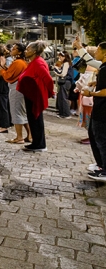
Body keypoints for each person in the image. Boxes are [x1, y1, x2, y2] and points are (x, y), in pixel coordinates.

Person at [17, 41, 54, 152]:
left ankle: (39, 144)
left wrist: (50, 92)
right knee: (33, 119)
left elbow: (48, 79)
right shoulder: (34, 62)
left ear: (34, 51)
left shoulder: (38, 63)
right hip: (31, 94)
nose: (25, 51)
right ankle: (36, 142)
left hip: (35, 95)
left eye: (27, 49)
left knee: (36, 119)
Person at [79, 44, 106, 181]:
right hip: (99, 109)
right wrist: (96, 82)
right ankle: (101, 165)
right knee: (95, 135)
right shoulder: (103, 68)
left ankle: (104, 170)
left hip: (102, 110)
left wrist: (90, 93)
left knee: (101, 139)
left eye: (98, 51)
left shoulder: (105, 69)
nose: (96, 53)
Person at [0, 43, 32, 144]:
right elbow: (10, 72)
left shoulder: (18, 62)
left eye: (14, 49)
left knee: (16, 112)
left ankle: (19, 137)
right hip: (21, 88)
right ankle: (29, 135)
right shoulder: (21, 62)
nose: (11, 50)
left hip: (16, 89)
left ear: (19, 52)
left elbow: (8, 76)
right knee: (22, 113)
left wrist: (1, 68)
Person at [0, 45, 12, 133]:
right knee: (3, 105)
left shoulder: (1, 59)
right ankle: (5, 124)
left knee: (2, 106)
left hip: (2, 85)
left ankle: (4, 126)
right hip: (1, 85)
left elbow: (2, 71)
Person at [53, 52, 73, 118]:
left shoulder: (66, 64)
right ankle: (62, 113)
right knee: (62, 97)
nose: (60, 58)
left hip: (65, 82)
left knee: (63, 98)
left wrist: (55, 68)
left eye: (61, 56)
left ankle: (66, 114)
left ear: (65, 57)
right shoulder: (67, 63)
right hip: (66, 82)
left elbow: (62, 73)